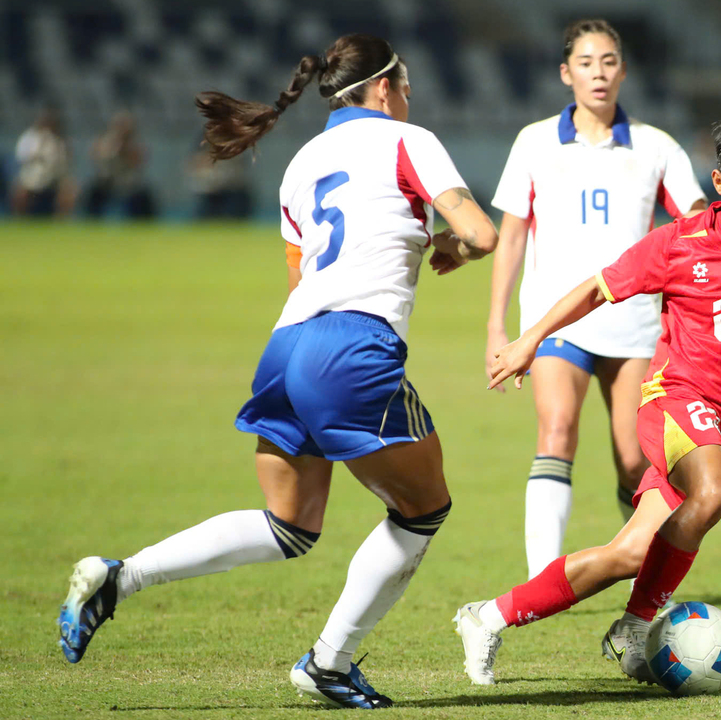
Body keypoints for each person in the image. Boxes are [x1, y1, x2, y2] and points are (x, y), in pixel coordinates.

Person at [56, 33, 498, 709]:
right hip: (353, 345)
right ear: (385, 88)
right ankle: (329, 663)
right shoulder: (409, 141)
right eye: (406, 88)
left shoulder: (301, 162)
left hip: (289, 344)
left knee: (288, 523)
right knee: (424, 508)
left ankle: (122, 577)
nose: (409, 100)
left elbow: (299, 279)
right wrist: (454, 249)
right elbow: (483, 232)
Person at [454, 118, 721, 685]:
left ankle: (487, 617)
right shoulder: (679, 244)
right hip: (676, 399)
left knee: (631, 553)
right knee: (714, 491)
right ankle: (634, 626)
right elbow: (596, 288)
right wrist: (530, 339)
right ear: (719, 183)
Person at [487, 18, 707, 580]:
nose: (598, 73)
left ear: (624, 71)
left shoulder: (656, 147)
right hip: (557, 321)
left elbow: (697, 224)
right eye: (586, 63)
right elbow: (511, 237)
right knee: (557, 429)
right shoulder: (534, 142)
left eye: (608, 62)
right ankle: (542, 583)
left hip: (635, 325)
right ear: (566, 73)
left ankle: (642, 572)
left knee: (635, 460)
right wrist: (497, 327)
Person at [84, 111, 156, 219]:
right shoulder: (106, 141)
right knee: (93, 193)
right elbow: (96, 156)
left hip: (128, 184)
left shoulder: (135, 145)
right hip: (107, 182)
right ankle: (91, 219)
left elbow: (139, 162)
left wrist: (127, 151)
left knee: (145, 195)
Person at [12, 105, 76, 217]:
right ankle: (19, 218)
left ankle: (61, 219)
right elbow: (22, 157)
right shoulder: (30, 136)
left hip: (54, 175)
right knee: (19, 190)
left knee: (70, 188)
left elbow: (66, 160)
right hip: (33, 173)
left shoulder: (60, 139)